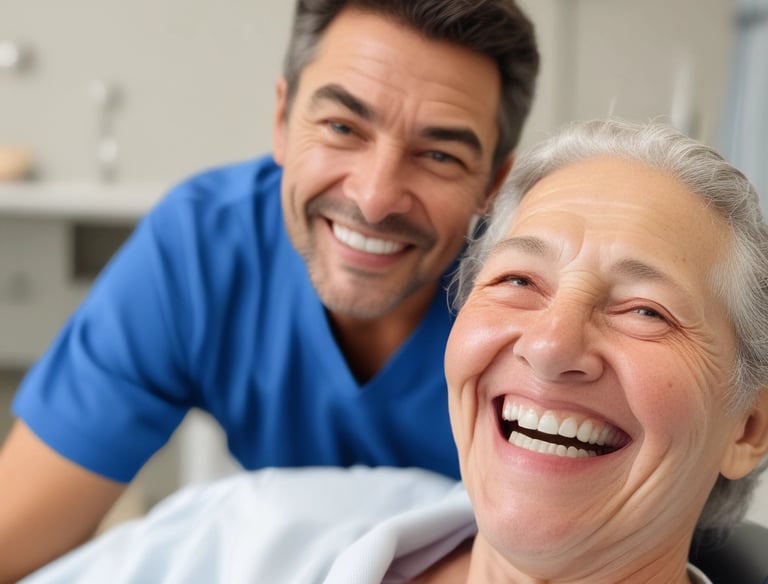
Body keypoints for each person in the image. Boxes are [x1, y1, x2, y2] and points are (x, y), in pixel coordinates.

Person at [17, 118, 768, 584]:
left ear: (749, 428)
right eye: (517, 279)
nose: (549, 343)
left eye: (645, 309)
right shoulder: (250, 534)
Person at [0, 0, 539, 581]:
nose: (375, 197)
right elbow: (14, 542)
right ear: (282, 120)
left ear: (494, 182)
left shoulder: (537, 317)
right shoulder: (202, 250)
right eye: (341, 128)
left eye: (439, 154)